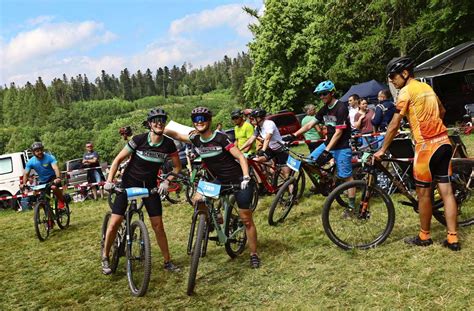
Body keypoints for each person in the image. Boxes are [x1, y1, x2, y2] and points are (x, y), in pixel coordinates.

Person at [374, 56, 460, 251]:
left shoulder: (406, 92)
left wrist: (383, 149)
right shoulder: (427, 88)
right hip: (444, 143)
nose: (393, 82)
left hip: (426, 148)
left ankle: (424, 236)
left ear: (405, 73)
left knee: (424, 195)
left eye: (393, 77)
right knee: (447, 193)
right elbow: (443, 111)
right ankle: (453, 238)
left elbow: (394, 123)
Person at [164, 107, 261, 268]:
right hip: (220, 180)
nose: (199, 121)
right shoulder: (195, 139)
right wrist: (160, 126)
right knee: (197, 199)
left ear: (209, 120)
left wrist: (245, 176)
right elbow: (174, 134)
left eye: (202, 118)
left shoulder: (221, 138)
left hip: (238, 180)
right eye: (195, 119)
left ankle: (254, 254)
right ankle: (215, 218)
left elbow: (240, 157)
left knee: (247, 220)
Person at [101, 108, 182, 275]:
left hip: (149, 187)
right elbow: (118, 160)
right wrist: (109, 181)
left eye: (162, 120)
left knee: (158, 226)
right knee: (115, 222)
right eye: (155, 120)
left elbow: (177, 166)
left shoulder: (168, 144)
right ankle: (105, 256)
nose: (159, 123)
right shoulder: (138, 140)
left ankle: (167, 262)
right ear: (150, 124)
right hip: (128, 184)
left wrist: (167, 181)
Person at [286, 80, 355, 206]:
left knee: (347, 177)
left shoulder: (341, 108)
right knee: (309, 161)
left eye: (324, 93)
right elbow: (310, 124)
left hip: (342, 146)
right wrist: (293, 135)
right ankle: (324, 176)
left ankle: (351, 206)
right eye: (320, 94)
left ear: (332, 93)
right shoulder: (324, 109)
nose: (322, 97)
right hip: (328, 143)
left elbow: (338, 133)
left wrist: (326, 151)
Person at [240, 108, 291, 179]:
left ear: (259, 118)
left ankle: (291, 186)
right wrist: (240, 149)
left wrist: (263, 150)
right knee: (256, 160)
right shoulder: (258, 127)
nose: (251, 120)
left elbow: (267, 138)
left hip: (280, 149)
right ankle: (265, 179)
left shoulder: (269, 124)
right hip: (271, 149)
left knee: (286, 175)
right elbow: (251, 140)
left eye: (252, 118)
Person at [20, 142, 66, 210]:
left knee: (53, 187)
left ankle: (61, 201)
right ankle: (49, 217)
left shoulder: (50, 157)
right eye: (37, 151)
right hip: (43, 181)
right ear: (33, 152)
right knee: (43, 199)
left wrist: (58, 178)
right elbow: (26, 174)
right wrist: (24, 184)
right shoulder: (31, 162)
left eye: (41, 150)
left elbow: (56, 168)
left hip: (53, 178)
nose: (40, 152)